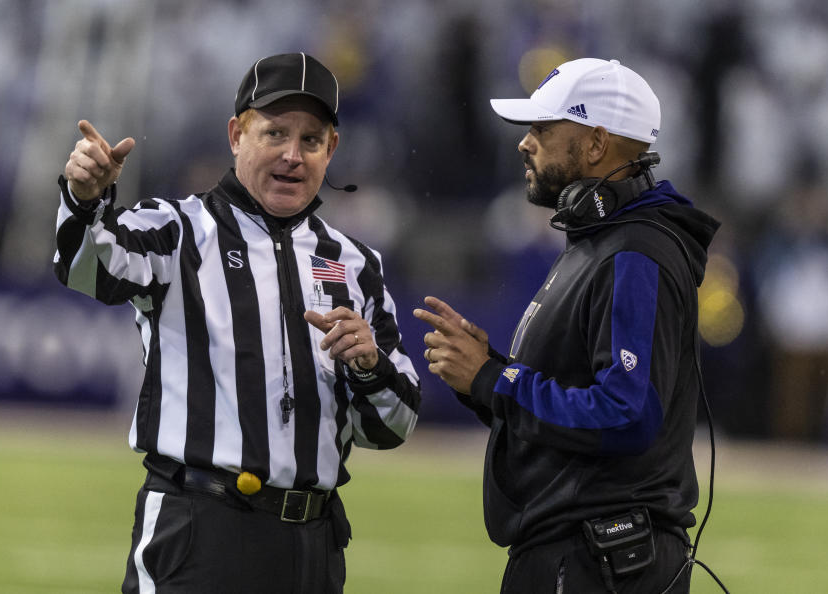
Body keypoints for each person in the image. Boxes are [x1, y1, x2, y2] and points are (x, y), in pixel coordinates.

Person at [55, 52, 420, 594]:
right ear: (236, 135)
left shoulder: (355, 263)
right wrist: (85, 199)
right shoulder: (178, 228)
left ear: (332, 149)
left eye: (311, 140)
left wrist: (369, 366)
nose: (292, 156)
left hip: (311, 544)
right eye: (274, 133)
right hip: (199, 530)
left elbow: (391, 427)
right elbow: (86, 267)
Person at [414, 58, 719, 593]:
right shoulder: (603, 241)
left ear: (597, 144)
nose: (524, 144)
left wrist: (493, 379)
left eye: (542, 129)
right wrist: (485, 377)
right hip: (588, 555)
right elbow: (573, 405)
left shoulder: (634, 251)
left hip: (600, 560)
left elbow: (626, 414)